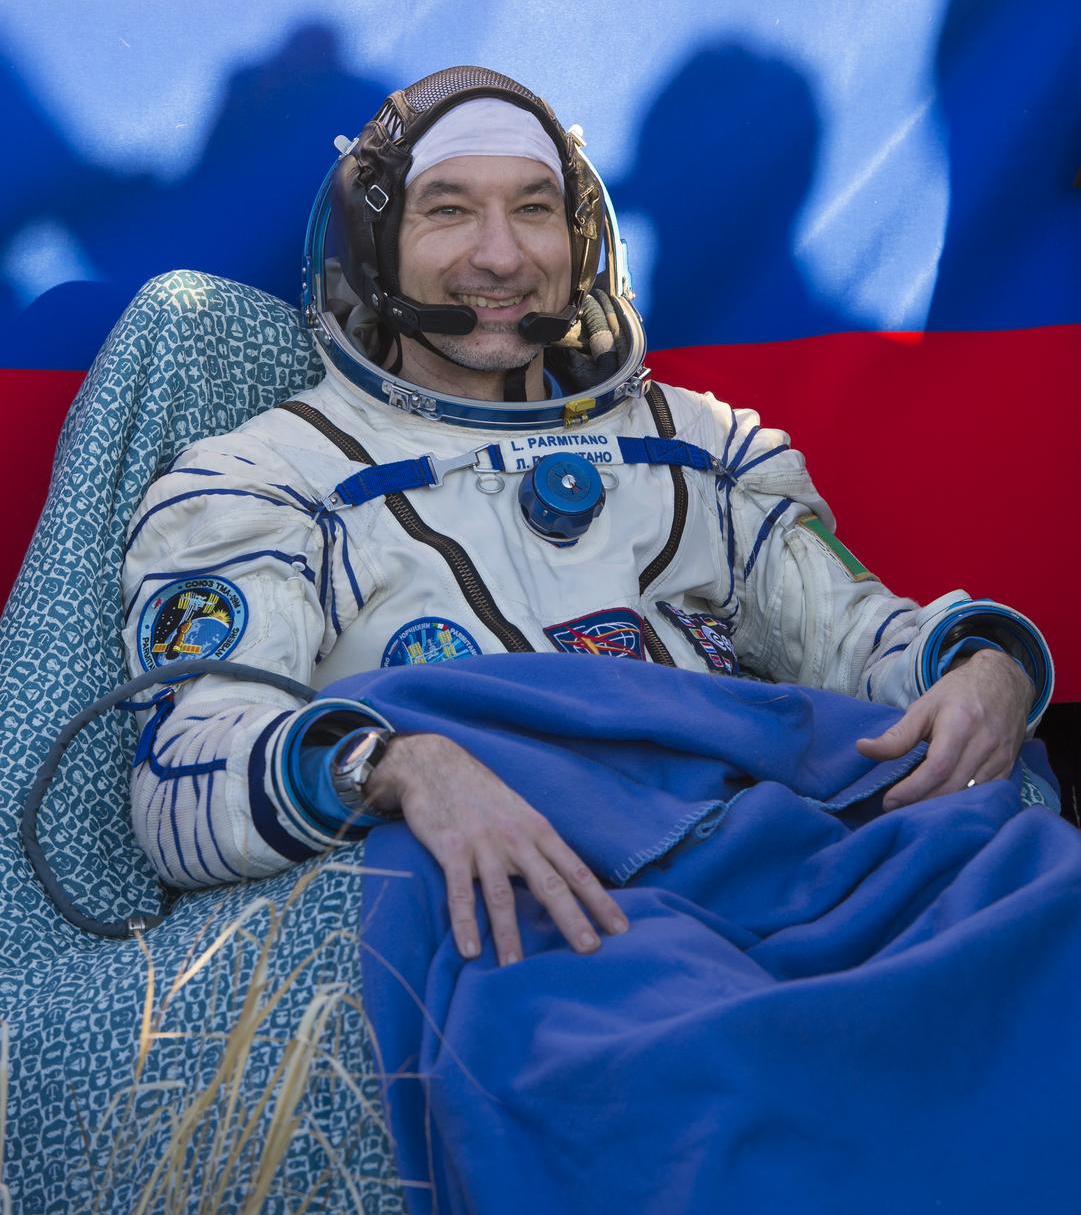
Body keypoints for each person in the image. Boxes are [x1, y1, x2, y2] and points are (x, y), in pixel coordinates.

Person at [121, 65, 1052, 970]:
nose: (501, 255)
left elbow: (853, 634)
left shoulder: (702, 448)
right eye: (448, 209)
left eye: (533, 208)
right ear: (372, 250)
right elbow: (182, 788)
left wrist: (981, 667)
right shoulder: (265, 482)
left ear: (579, 240)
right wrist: (393, 767)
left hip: (774, 851)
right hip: (552, 898)